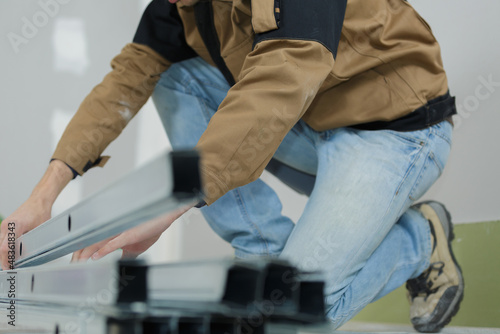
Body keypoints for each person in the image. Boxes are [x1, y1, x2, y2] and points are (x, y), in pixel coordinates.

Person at [0, 0, 464, 331]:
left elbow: (283, 75)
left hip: (396, 132)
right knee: (169, 72)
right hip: (310, 129)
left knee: (285, 318)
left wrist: (167, 207)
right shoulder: (179, 7)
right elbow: (121, 85)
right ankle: (260, 250)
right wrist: (42, 198)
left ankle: (420, 238)